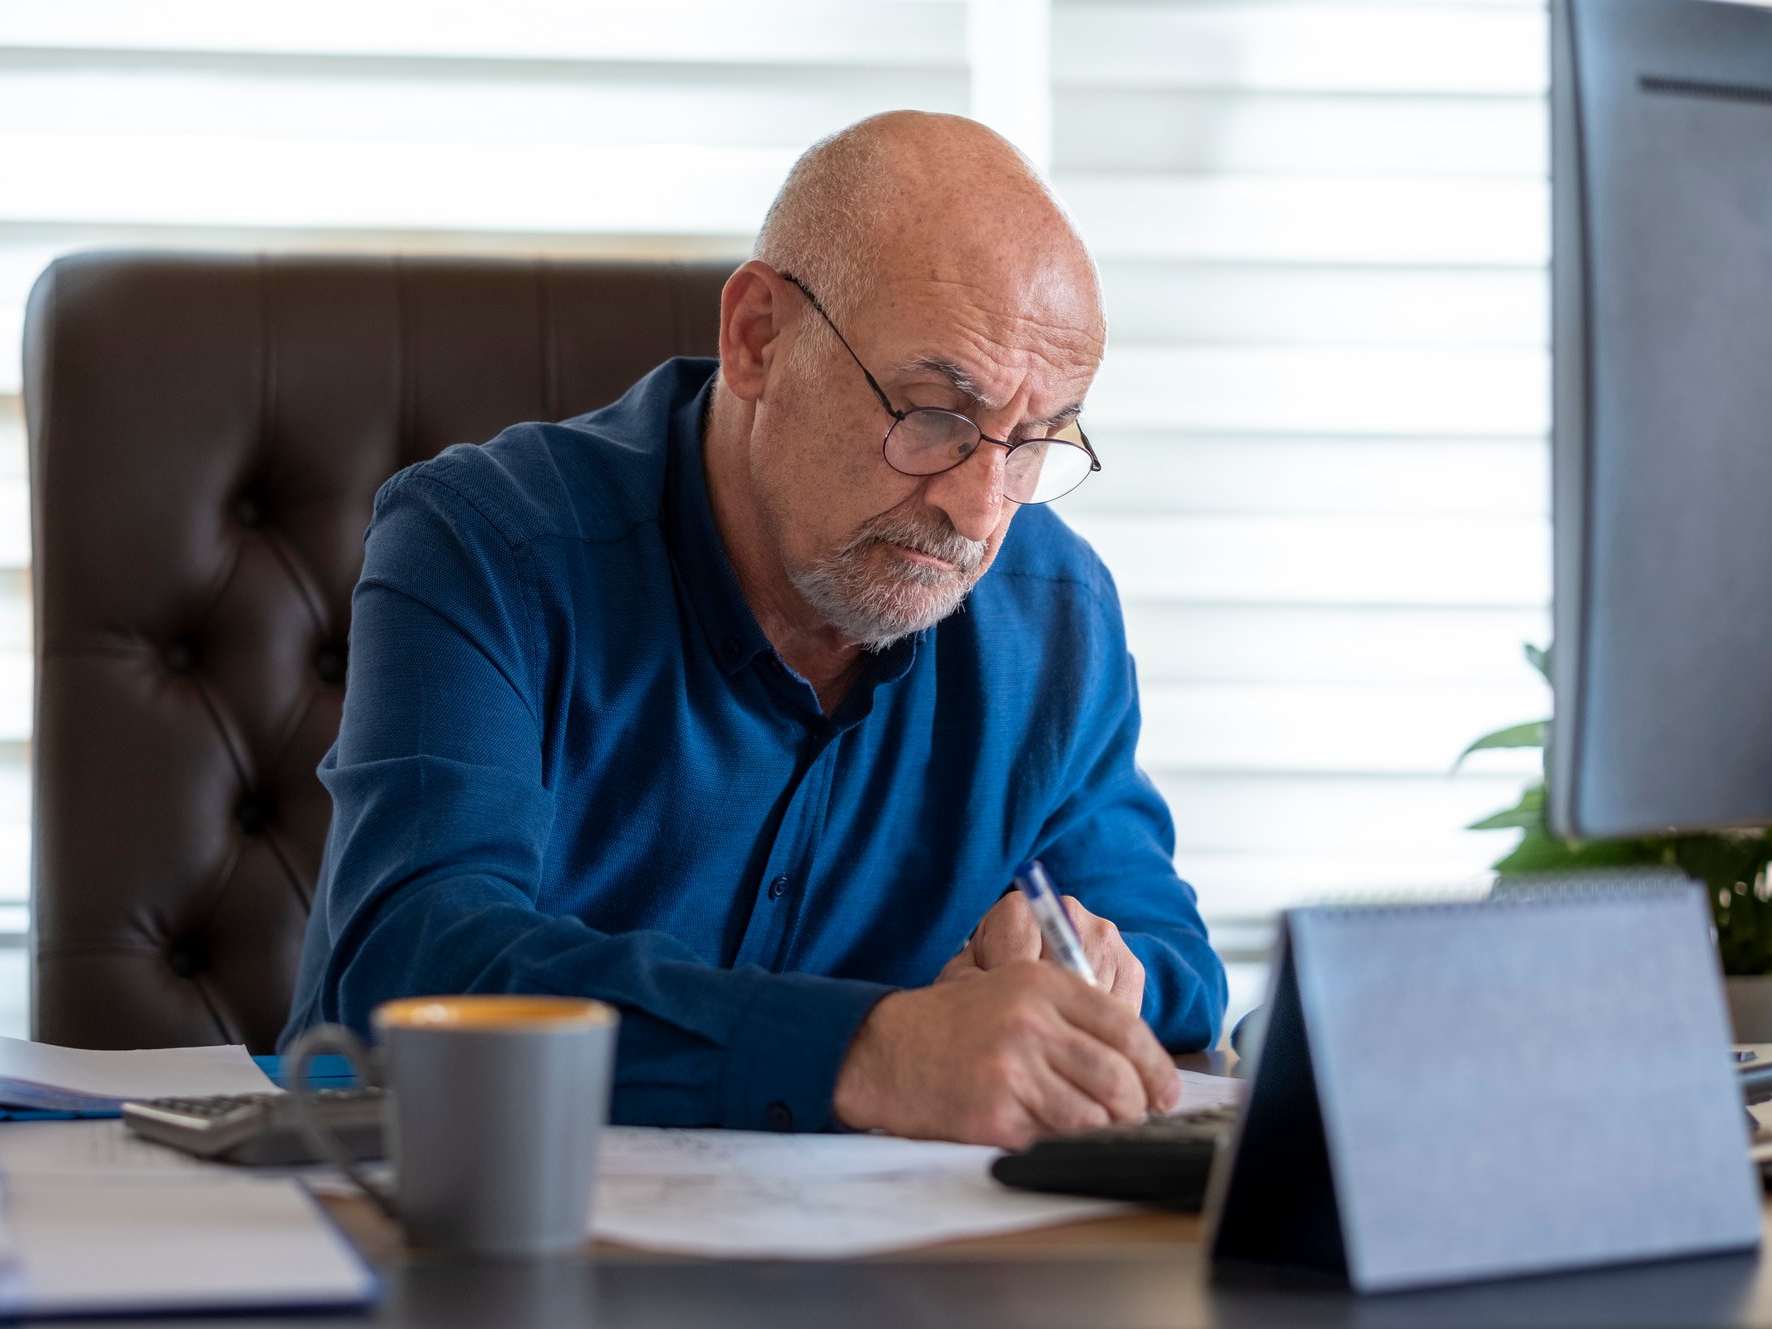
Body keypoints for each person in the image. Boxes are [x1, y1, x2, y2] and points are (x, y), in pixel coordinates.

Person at [282, 111, 1224, 1147]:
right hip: (479, 1245)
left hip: (896, 1278)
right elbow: (414, 960)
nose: (981, 507)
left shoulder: (1055, 617)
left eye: (1034, 442)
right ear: (757, 339)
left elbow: (1174, 951)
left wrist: (1092, 972)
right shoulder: (483, 545)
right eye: (934, 417)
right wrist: (870, 1051)